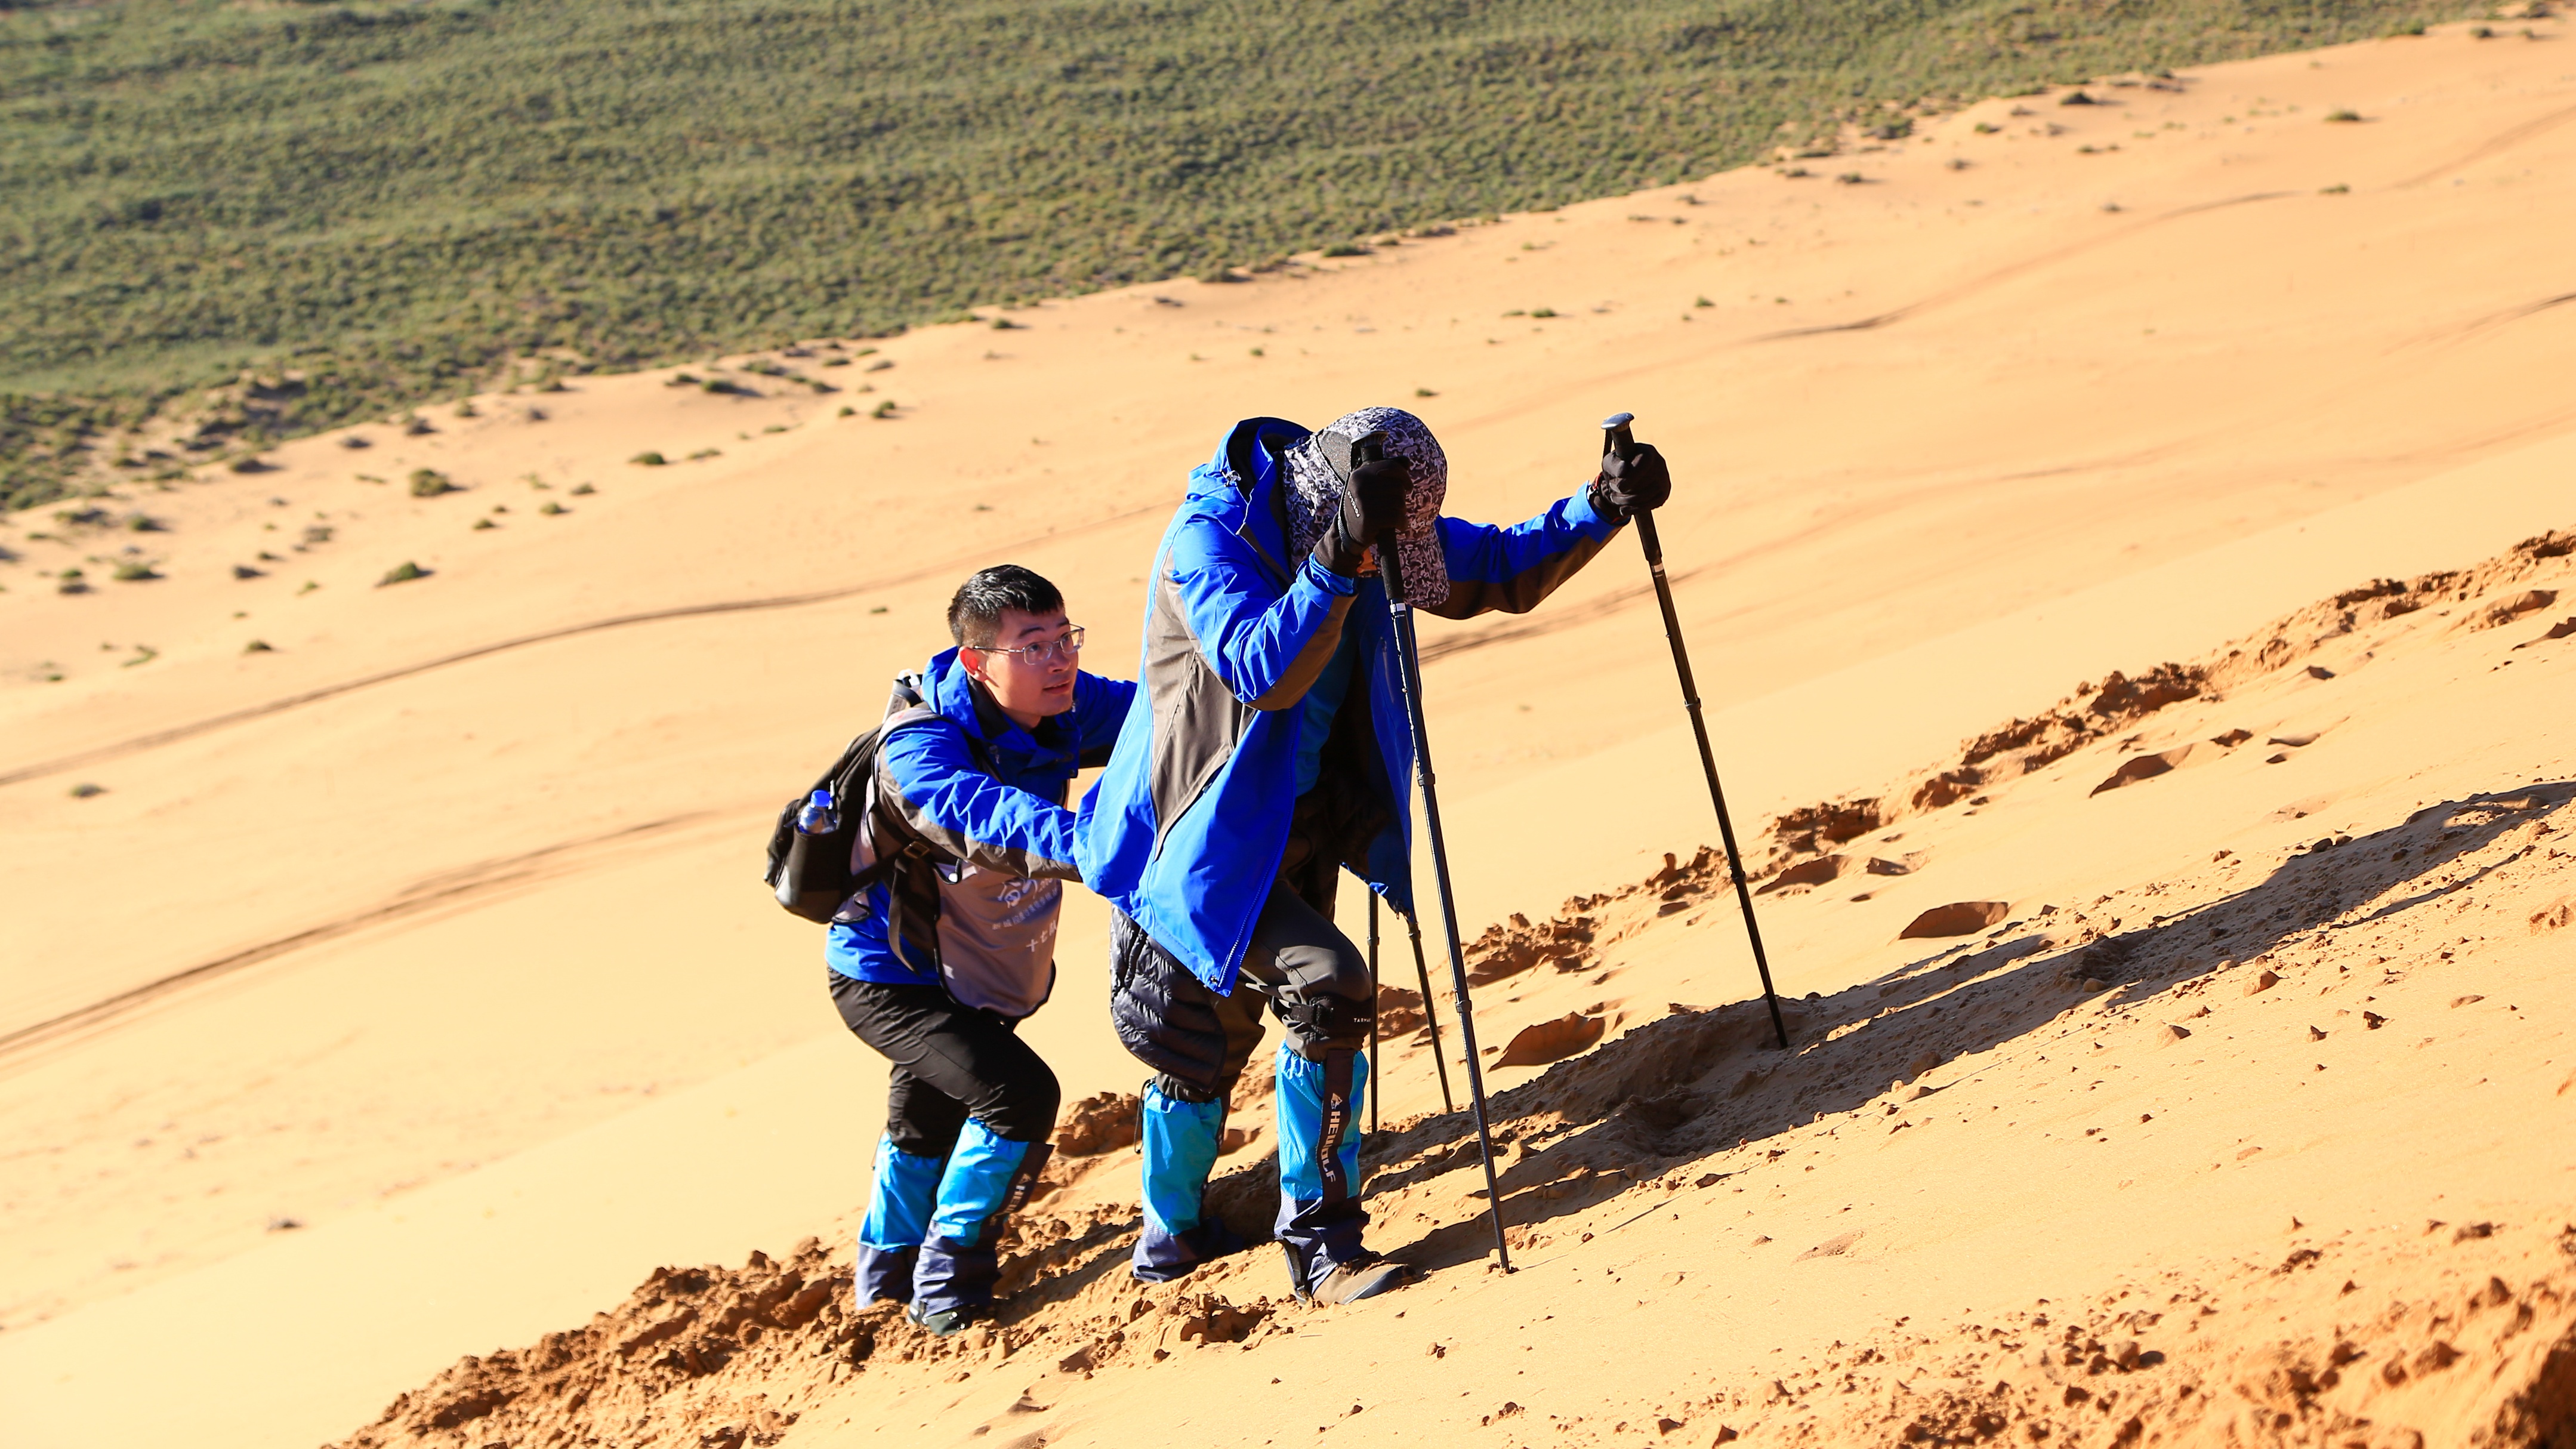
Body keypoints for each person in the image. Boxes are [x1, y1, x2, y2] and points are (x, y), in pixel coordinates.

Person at [1078, 406, 1671, 1303]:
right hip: (1194, 844)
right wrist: (1336, 562)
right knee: (1223, 1033)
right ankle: (1202, 1240)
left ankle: (1301, 1232)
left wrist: (1598, 505)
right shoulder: (1208, 540)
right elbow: (1257, 668)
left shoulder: (1358, 522)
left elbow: (1484, 568)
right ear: (1330, 514)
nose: (1383, 562)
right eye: (1366, 543)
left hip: (1300, 822)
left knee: (1285, 1013)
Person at [828, 565, 1133, 1334]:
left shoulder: (1060, 703)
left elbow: (1168, 710)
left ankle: (883, 1279)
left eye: (1066, 638)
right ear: (976, 662)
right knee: (1018, 1096)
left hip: (979, 966)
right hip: (887, 976)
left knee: (924, 1120)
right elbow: (989, 816)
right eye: (1033, 646)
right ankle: (948, 1278)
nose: (1061, 660)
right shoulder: (921, 749)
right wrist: (1095, 843)